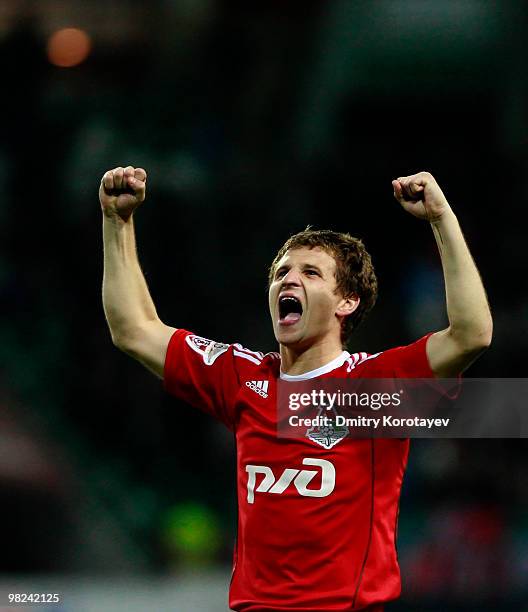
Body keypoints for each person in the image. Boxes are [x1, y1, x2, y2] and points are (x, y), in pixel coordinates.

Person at [100, 166, 492, 611]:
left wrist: (442, 220)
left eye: (311, 273)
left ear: (347, 302)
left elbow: (471, 334)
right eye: (282, 272)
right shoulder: (242, 378)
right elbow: (133, 328)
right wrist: (117, 222)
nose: (289, 280)